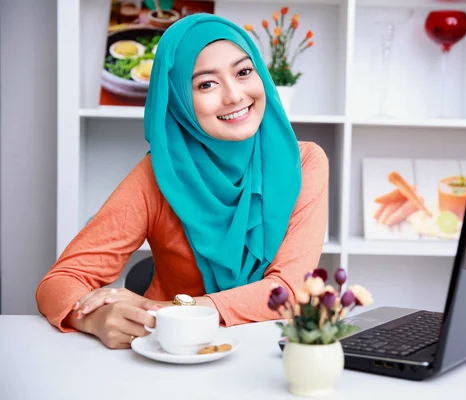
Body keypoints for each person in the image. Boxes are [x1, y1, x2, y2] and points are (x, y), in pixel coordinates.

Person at [36, 13, 328, 350]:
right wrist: (92, 318)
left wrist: (169, 311)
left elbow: (290, 291)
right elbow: (58, 282)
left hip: (270, 358)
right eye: (206, 83)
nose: (234, 95)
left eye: (244, 72)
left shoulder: (304, 163)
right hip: (169, 354)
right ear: (177, 99)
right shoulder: (157, 176)